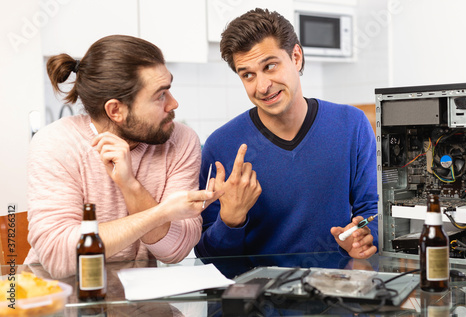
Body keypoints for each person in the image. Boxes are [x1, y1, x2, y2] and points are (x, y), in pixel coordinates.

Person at [25, 35, 221, 278]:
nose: (174, 103)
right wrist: (161, 213)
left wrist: (130, 186)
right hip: (57, 302)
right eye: (160, 95)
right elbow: (59, 258)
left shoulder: (180, 140)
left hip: (138, 304)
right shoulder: (55, 143)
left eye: (169, 89)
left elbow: (175, 251)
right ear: (115, 110)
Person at [195, 8, 378, 260]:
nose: (262, 86)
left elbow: (373, 212)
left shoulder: (352, 124)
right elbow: (207, 256)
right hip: (256, 294)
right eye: (248, 75)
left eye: (270, 66)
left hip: (336, 291)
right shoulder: (221, 146)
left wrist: (365, 237)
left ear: (296, 57)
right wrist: (230, 221)